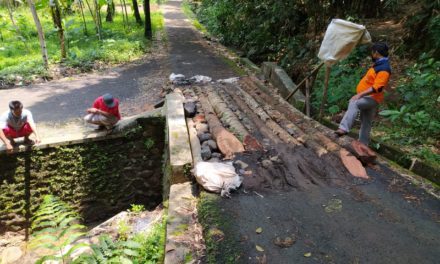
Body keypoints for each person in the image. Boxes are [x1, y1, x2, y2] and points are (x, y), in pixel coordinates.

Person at [335, 42, 391, 145]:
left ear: (376, 53)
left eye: (372, 52)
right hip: (371, 97)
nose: (371, 54)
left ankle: (343, 128)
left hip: (371, 98)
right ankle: (363, 144)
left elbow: (378, 88)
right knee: (366, 122)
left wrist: (360, 95)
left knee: (354, 102)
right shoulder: (380, 64)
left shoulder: (384, 69)